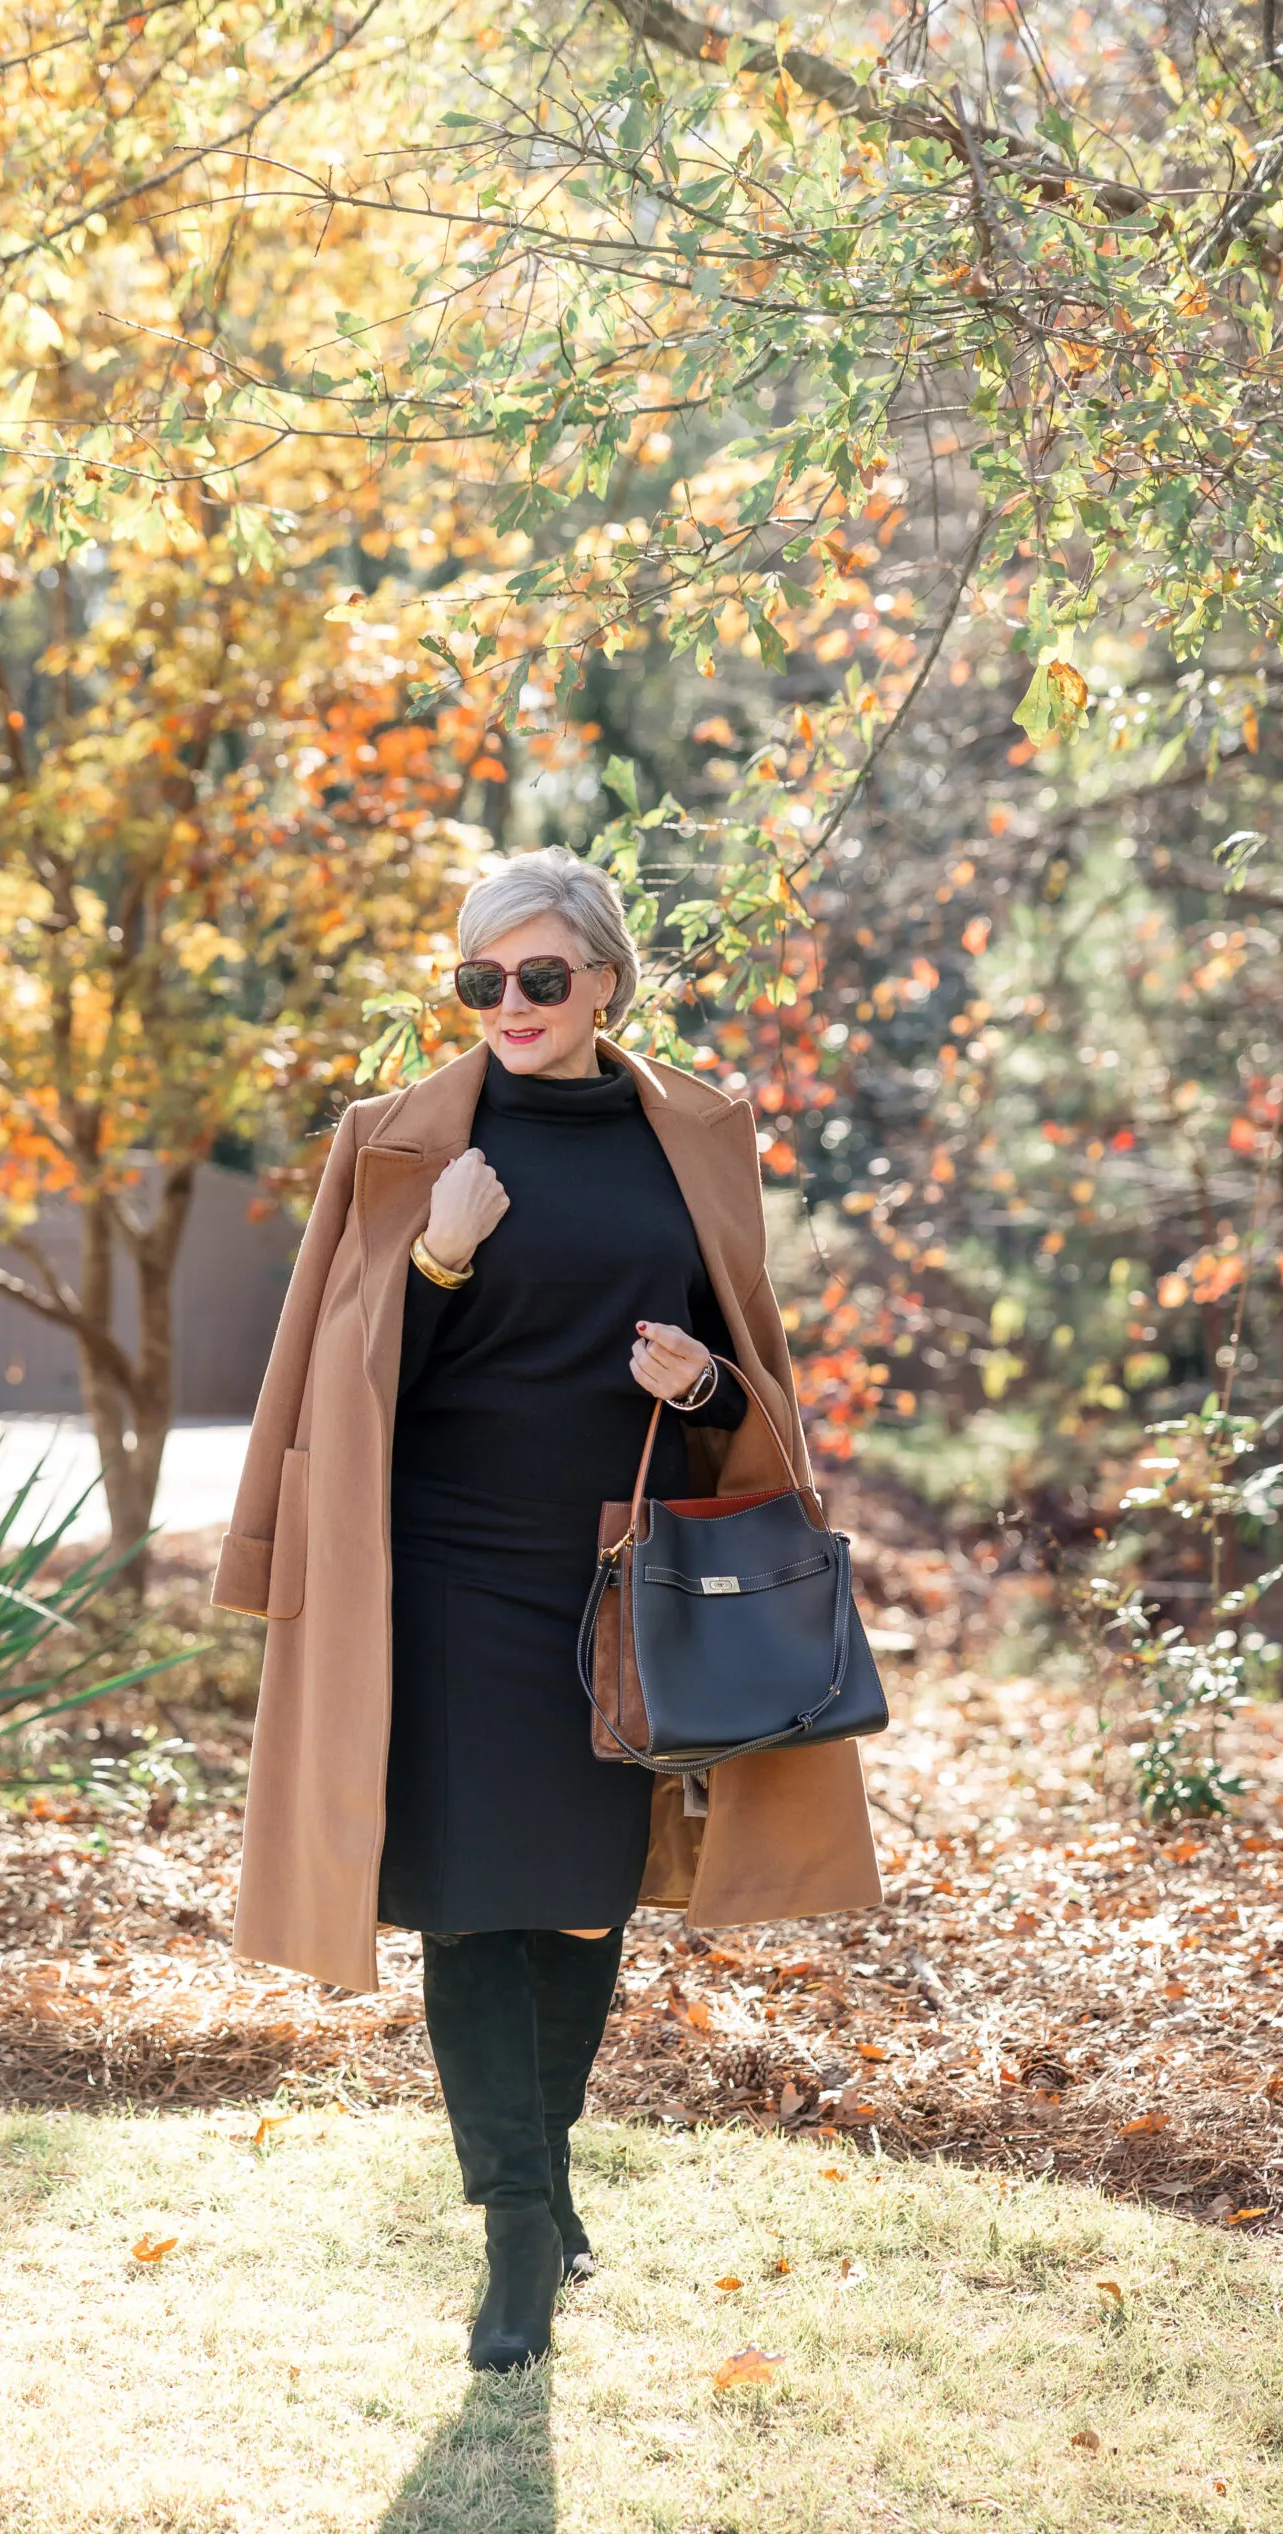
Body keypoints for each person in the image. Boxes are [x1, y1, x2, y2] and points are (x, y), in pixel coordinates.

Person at [213, 849, 881, 2372]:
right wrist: (440, 1255)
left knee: (582, 1894)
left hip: (613, 1575)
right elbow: (349, 1380)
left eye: (538, 977)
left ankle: (545, 2171)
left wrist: (700, 1385)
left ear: (603, 981)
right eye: (478, 981)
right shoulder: (401, 1146)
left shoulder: (693, 1136)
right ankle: (518, 2232)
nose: (508, 1007)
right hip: (441, 1569)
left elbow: (742, 1366)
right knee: (472, 1896)